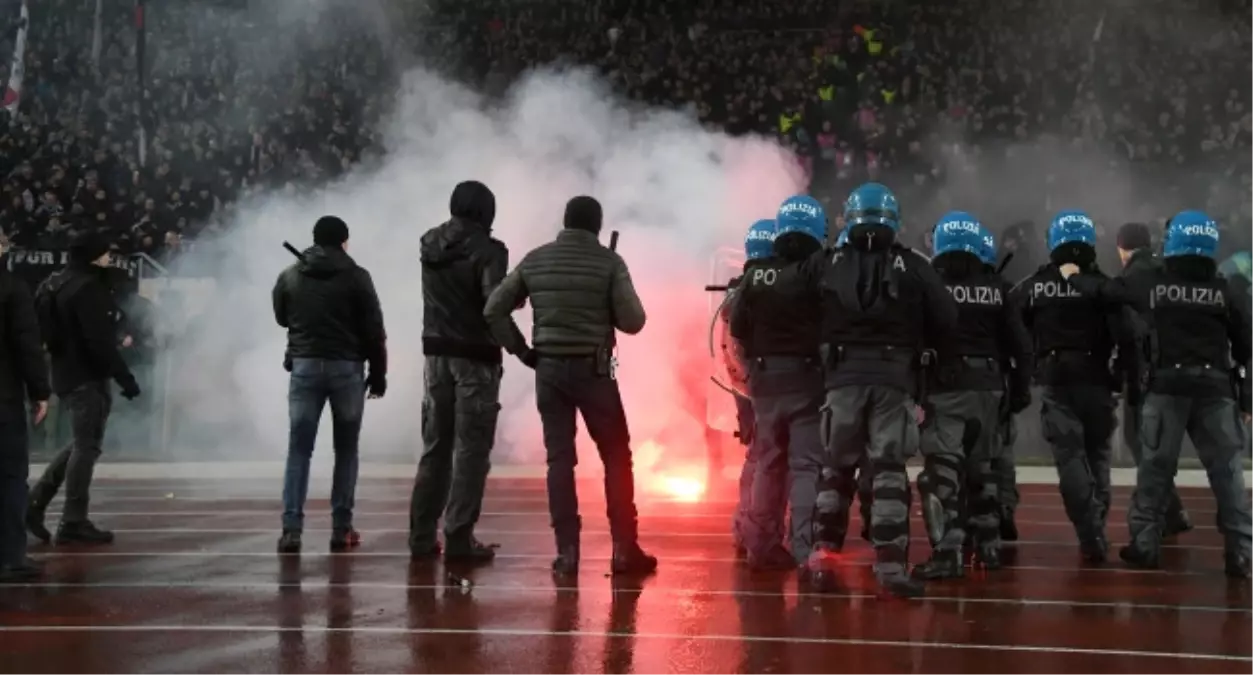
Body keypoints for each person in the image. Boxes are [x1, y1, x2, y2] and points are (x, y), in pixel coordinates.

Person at [1060, 211, 1253, 577]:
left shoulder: (1153, 283)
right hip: (1216, 390)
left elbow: (1106, 292)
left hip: (1166, 388)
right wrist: (1247, 399)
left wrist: (1074, 277)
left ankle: (1145, 545)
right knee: (1228, 476)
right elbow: (1248, 347)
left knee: (1155, 471)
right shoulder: (1225, 287)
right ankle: (1241, 553)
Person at [798, 183, 958, 598]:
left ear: (850, 217)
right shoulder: (914, 264)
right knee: (888, 470)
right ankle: (889, 566)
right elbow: (947, 316)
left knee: (835, 469)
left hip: (841, 379)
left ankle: (821, 554)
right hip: (893, 379)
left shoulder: (825, 262)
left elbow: (786, 299)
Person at [483, 195, 656, 576]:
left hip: (548, 370)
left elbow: (493, 308)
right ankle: (625, 549)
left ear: (565, 222)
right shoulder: (609, 262)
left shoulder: (536, 259)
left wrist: (523, 352)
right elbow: (634, 321)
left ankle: (567, 553)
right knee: (616, 457)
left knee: (560, 461)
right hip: (595, 372)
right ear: (597, 226)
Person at [913, 213, 1032, 579]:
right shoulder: (998, 288)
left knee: (941, 474)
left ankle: (947, 553)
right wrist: (1019, 391)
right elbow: (1022, 348)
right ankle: (989, 546)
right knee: (983, 471)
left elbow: (916, 339)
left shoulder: (931, 286)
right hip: (990, 386)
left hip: (947, 387)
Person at [410, 180, 524, 563]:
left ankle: (422, 537)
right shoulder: (490, 251)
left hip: (435, 358)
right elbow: (494, 308)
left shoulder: (428, 243)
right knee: (472, 452)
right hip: (475, 359)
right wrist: (520, 348)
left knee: (434, 450)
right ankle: (459, 538)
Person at [272, 216, 387, 554]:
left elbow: (281, 316)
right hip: (346, 370)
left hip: (305, 367)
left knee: (299, 450)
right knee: (346, 450)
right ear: (344, 241)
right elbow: (374, 330)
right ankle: (341, 527)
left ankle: (291, 529)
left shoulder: (291, 275)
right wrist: (378, 373)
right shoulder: (356, 276)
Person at [1010, 211, 1120, 563]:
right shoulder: (1103, 285)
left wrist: (1027, 368)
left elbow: (1011, 323)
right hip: (1098, 380)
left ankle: (1090, 533)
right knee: (1099, 454)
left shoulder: (1035, 284)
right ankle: (1096, 523)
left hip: (1056, 379)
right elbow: (1128, 332)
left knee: (1070, 458)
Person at [27, 232, 140, 546]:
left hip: (62, 373)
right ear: (95, 255)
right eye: (105, 254)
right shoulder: (88, 287)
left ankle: (35, 503)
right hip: (86, 377)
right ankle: (74, 520)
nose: (109, 259)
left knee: (81, 443)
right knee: (86, 447)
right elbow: (98, 342)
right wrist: (125, 378)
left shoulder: (51, 284)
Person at [729, 200, 825, 570]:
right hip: (806, 379)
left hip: (765, 383)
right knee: (805, 466)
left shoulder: (755, 276)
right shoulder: (815, 273)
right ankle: (803, 546)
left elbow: (737, 329)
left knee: (768, 462)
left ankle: (760, 545)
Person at [1113, 222, 1193, 537]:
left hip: (1145, 374)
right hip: (1178, 369)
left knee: (1141, 441)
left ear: (1122, 248)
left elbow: (1128, 332)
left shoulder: (1130, 278)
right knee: (1159, 445)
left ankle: (1158, 516)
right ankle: (1169, 510)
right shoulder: (1167, 271)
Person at [727, 218, 782, 557]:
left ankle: (744, 527)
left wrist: (741, 407)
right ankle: (759, 531)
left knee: (757, 459)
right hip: (777, 385)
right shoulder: (779, 287)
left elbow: (731, 356)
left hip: (747, 385)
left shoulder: (737, 292)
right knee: (772, 462)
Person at [0, 236, 50, 582]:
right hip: (2, 398)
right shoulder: (12, 288)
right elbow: (26, 344)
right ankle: (9, 556)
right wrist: (39, 391)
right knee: (9, 477)